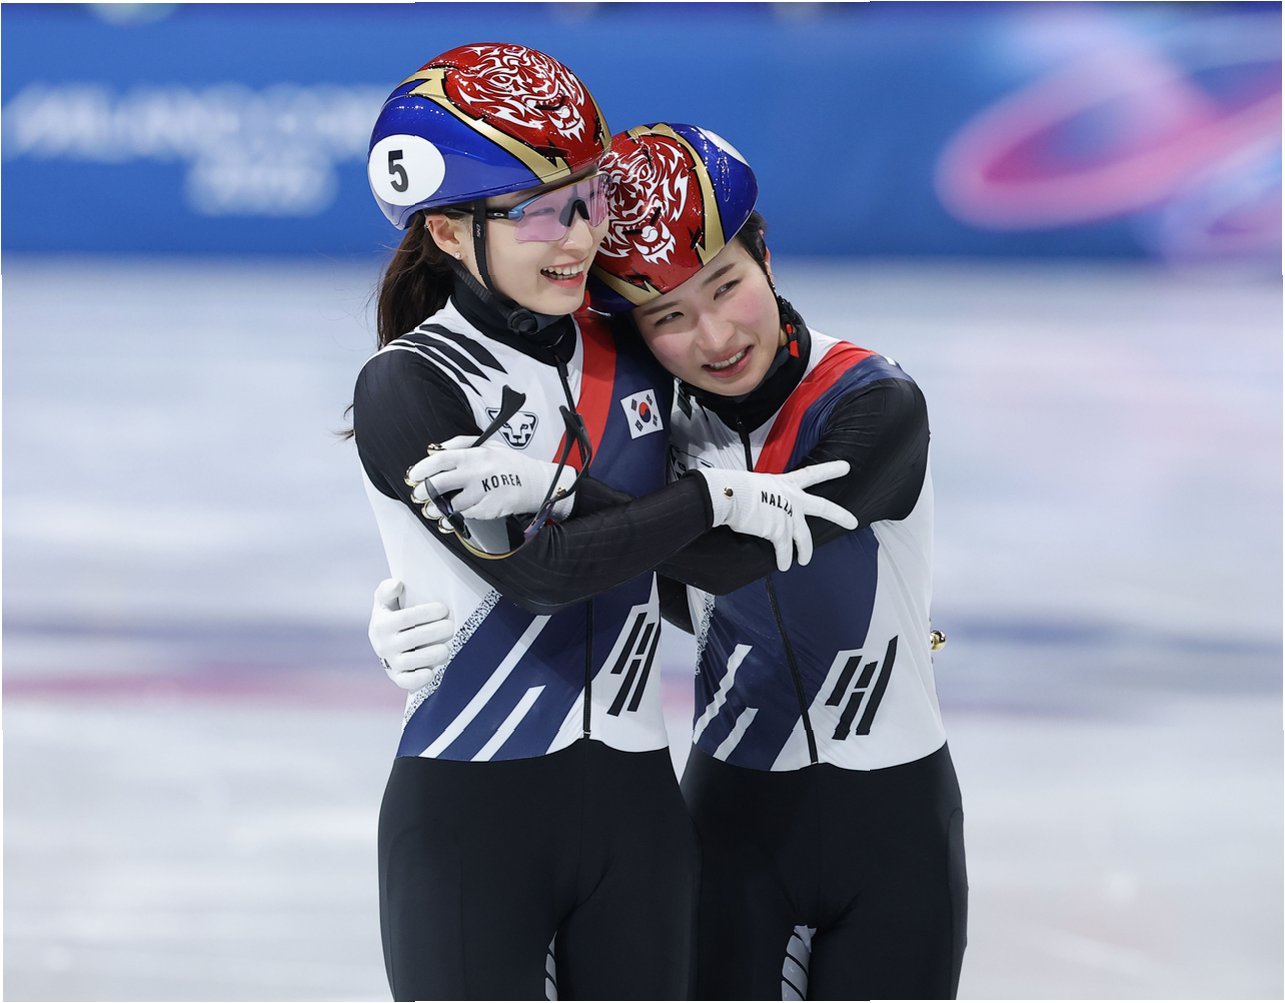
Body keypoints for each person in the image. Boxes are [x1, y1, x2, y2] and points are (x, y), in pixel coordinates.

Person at [371, 121, 968, 1000]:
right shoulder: (659, 420)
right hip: (732, 822)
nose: (715, 337)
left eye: (726, 286)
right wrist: (431, 594)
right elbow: (623, 569)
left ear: (765, 254)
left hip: (894, 820)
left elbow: (734, 557)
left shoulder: (871, 400)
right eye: (668, 317)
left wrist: (561, 488)